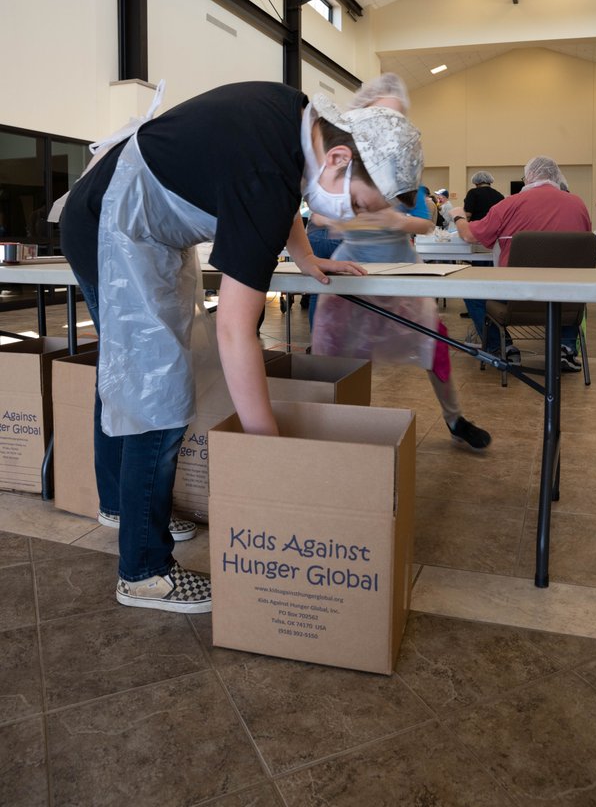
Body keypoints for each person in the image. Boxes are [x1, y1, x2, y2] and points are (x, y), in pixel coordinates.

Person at [56, 80, 424, 614]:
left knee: (135, 371)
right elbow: (235, 330)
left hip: (136, 222)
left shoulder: (294, 118)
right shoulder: (267, 173)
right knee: (154, 386)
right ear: (339, 158)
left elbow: (280, 201)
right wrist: (265, 453)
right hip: (111, 226)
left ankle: (122, 507)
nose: (351, 217)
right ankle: (143, 571)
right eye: (360, 204)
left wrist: (304, 257)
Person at [312, 74, 491, 451]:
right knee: (331, 351)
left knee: (434, 345)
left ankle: (455, 418)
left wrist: (396, 221)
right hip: (352, 275)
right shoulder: (344, 163)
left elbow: (426, 221)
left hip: (400, 271)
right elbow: (318, 216)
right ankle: (328, 425)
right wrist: (343, 216)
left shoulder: (404, 168)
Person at [451, 155, 592, 372]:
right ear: (556, 176)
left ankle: (504, 347)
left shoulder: (510, 204)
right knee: (568, 285)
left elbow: (469, 235)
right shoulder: (578, 204)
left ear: (528, 177)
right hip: (566, 300)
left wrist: (458, 217)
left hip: (516, 298)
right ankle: (564, 347)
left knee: (470, 289)